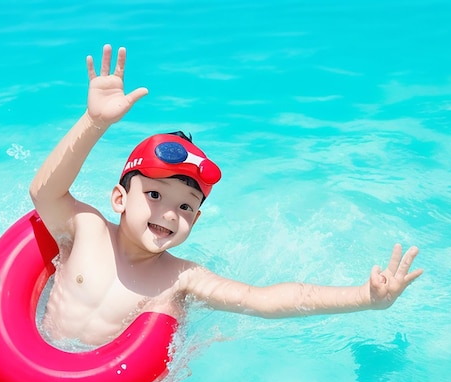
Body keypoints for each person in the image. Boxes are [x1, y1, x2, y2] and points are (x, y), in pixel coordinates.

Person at [29, 44, 423, 346]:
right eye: (154, 194)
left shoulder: (180, 278)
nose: (169, 214)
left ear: (196, 220)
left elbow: (264, 300)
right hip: (32, 360)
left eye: (185, 206)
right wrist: (94, 122)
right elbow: (44, 191)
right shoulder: (87, 230)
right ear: (119, 199)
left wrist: (363, 297)